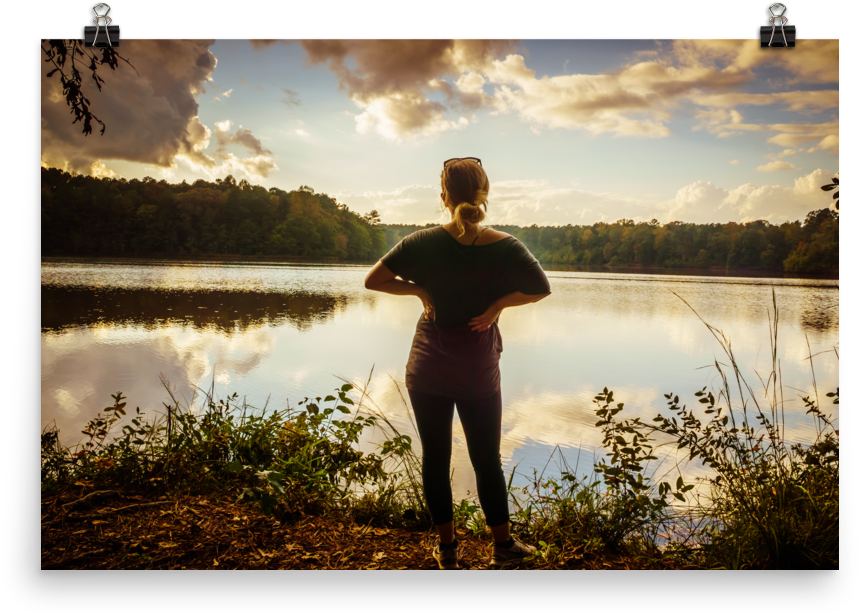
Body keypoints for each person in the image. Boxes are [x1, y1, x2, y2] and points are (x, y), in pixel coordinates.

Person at [364, 157, 552, 570]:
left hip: (427, 367)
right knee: (486, 458)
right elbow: (541, 289)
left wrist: (419, 291)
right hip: (477, 370)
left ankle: (447, 550)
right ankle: (503, 548)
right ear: (485, 193)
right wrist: (499, 304)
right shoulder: (508, 246)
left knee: (435, 456)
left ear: (444, 196)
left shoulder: (422, 241)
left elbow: (373, 280)